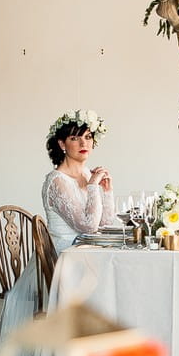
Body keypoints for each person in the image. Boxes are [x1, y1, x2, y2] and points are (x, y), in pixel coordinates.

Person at [42, 109, 115, 254]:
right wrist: (93, 186)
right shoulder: (57, 180)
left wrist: (107, 191)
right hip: (65, 257)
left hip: (87, 253)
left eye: (88, 137)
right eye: (75, 138)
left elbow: (104, 223)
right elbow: (89, 227)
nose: (83, 143)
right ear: (62, 144)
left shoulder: (87, 174)